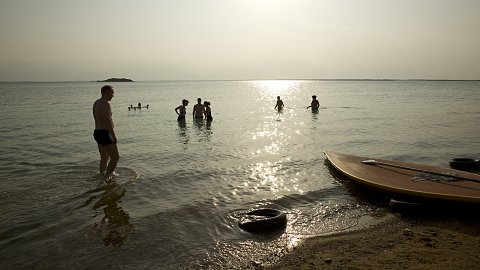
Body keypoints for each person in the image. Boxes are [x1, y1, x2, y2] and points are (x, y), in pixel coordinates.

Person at [93, 85, 119, 181]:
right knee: (115, 157)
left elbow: (95, 117)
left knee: (104, 157)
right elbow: (107, 120)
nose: (113, 95)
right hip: (105, 133)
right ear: (107, 93)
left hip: (97, 132)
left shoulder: (96, 103)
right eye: (112, 93)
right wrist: (113, 135)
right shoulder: (106, 104)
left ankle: (102, 174)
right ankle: (107, 178)